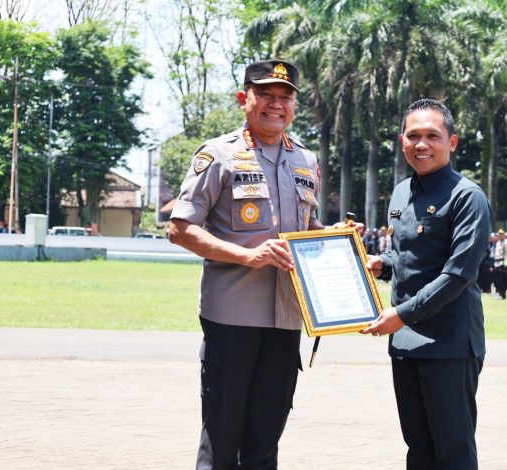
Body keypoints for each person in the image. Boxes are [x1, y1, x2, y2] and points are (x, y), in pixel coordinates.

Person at [169, 59, 328, 470]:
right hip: (232, 318)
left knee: (265, 439)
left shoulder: (306, 162)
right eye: (266, 96)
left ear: (295, 106)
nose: (276, 105)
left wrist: (339, 239)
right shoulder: (217, 155)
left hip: (286, 319)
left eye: (285, 98)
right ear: (244, 100)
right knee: (222, 438)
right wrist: (246, 256)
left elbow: (307, 229)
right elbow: (181, 229)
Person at [363, 98, 490, 469]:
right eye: (413, 136)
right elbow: (408, 256)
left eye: (432, 136)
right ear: (402, 141)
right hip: (404, 343)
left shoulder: (468, 197)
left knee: (453, 451)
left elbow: (458, 275)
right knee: (418, 449)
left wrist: (400, 315)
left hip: (448, 344)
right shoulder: (402, 192)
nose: (422, 144)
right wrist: (379, 264)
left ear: (451, 142)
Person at [492, 229, 507, 298]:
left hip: (502, 262)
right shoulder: (497, 242)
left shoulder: (506, 242)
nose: (500, 235)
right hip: (496, 263)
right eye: (499, 234)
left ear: (504, 235)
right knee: (497, 279)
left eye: (501, 234)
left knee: (502, 279)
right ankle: (498, 292)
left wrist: (506, 264)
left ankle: (502, 294)